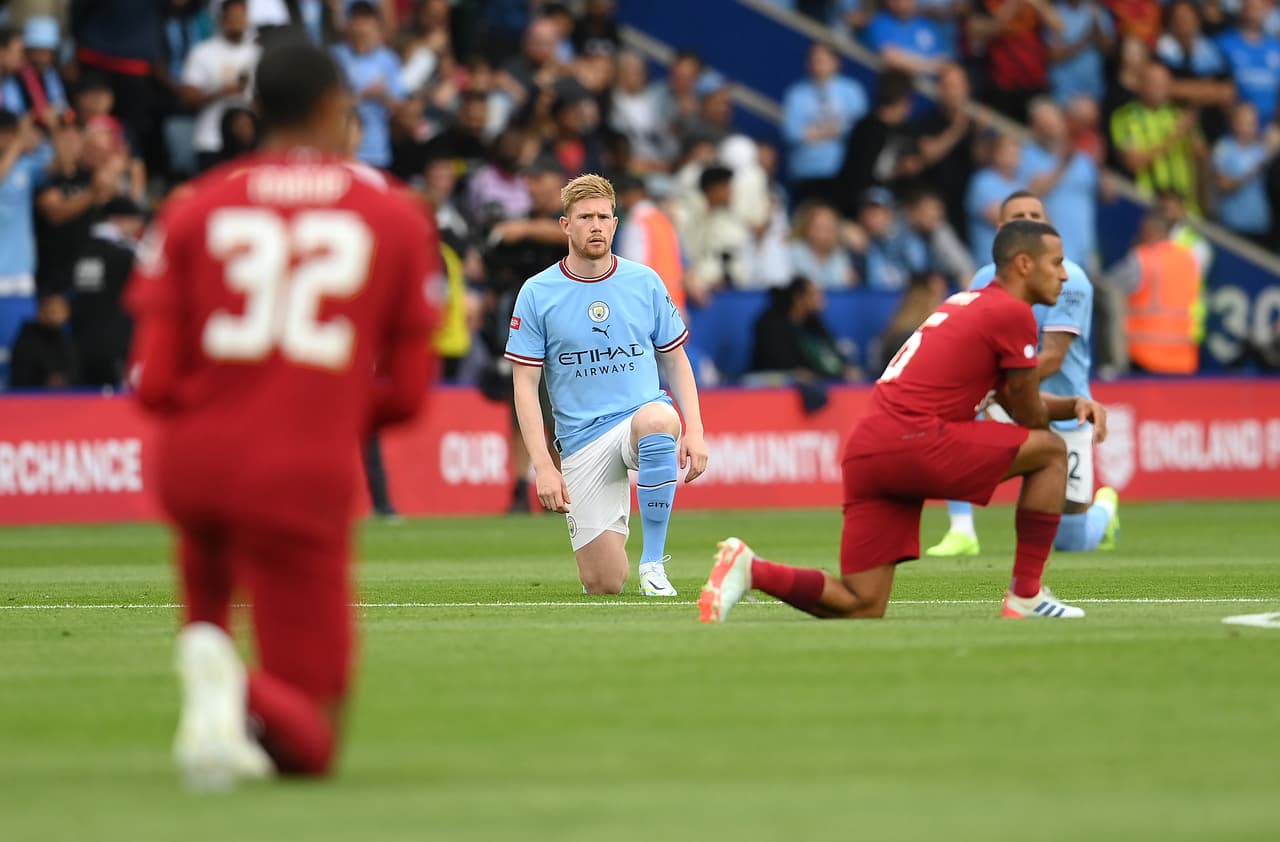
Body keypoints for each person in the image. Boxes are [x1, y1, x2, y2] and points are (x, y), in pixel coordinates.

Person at [125, 42, 440, 787]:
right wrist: (315, 404)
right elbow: (408, 395)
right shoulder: (393, 216)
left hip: (195, 463)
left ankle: (210, 668)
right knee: (314, 740)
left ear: (254, 111)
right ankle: (232, 685)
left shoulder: (193, 207)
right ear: (337, 109)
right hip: (302, 468)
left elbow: (151, 382)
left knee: (208, 580)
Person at [700, 218, 1107, 623]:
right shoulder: (1011, 313)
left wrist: (1071, 405)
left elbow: (1010, 397)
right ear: (1023, 264)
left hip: (870, 451)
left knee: (862, 603)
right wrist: (1066, 414)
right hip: (919, 440)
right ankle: (1027, 595)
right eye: (1056, 263)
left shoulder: (966, 305)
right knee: (1053, 450)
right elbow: (1027, 414)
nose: (1065, 274)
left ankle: (751, 568)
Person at [504, 173, 709, 597]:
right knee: (604, 583)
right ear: (565, 225)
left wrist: (695, 428)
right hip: (581, 441)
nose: (595, 225)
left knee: (657, 419)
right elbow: (525, 385)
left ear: (615, 224)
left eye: (603, 216)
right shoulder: (537, 292)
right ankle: (610, 562)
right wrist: (543, 465)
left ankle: (654, 562)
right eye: (584, 217)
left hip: (638, 417)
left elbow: (675, 359)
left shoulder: (645, 282)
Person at [927, 191, 1119, 557]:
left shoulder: (1071, 280)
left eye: (1036, 214)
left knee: (1070, 541)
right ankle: (961, 530)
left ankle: (1104, 510)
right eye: (1019, 216)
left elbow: (1053, 359)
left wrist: (1002, 386)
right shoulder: (983, 279)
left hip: (1060, 411)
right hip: (1010, 396)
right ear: (1002, 231)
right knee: (955, 424)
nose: (1029, 220)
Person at [180, 0, 259, 173]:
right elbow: (187, 98)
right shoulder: (202, 52)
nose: (238, 21)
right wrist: (222, 91)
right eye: (233, 17)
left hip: (248, 144)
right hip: (211, 141)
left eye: (242, 16)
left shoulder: (258, 54)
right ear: (222, 19)